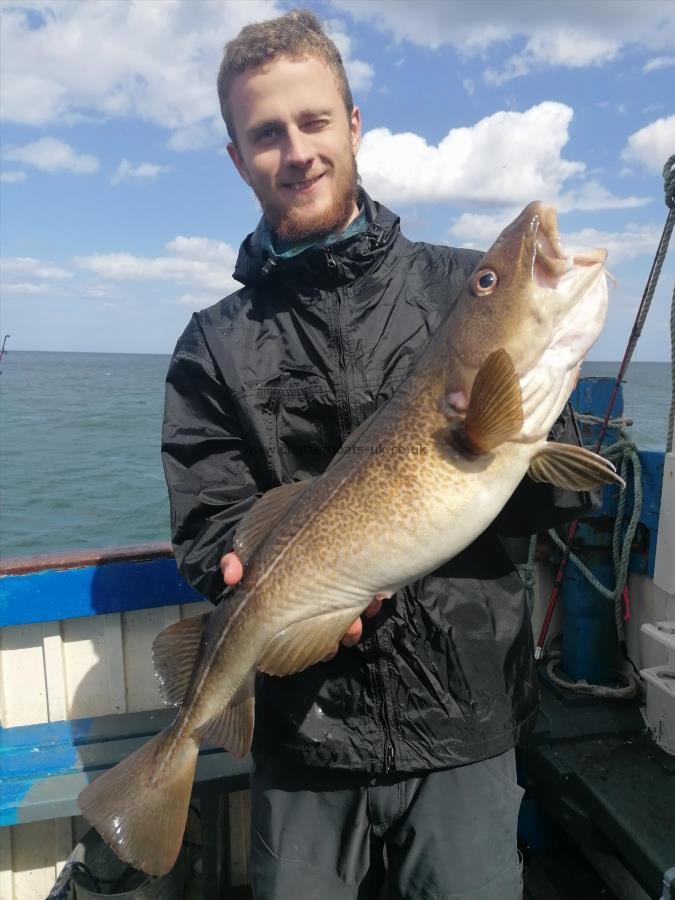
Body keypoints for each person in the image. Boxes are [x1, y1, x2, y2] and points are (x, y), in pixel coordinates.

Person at [162, 9, 592, 899]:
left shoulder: (454, 285)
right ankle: (160, 767)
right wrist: (259, 570)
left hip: (461, 719)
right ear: (238, 159)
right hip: (303, 728)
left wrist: (540, 410)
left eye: (315, 121)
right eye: (266, 134)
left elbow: (557, 502)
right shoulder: (213, 344)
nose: (298, 150)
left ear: (353, 124)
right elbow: (209, 525)